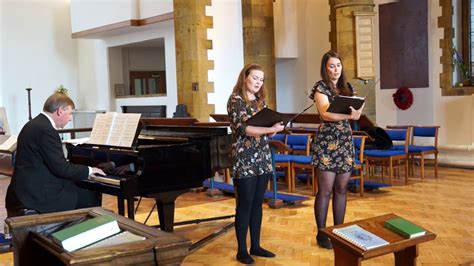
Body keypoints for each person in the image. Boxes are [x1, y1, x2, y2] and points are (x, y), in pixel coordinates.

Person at [5, 92, 106, 217]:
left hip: (23, 190)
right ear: (60, 111)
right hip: (36, 194)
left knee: (75, 187)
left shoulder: (33, 124)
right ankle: (76, 233)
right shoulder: (46, 130)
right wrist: (90, 170)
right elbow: (61, 168)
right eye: (70, 114)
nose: (70, 118)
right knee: (89, 194)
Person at [227, 64, 284, 264]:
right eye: (255, 78)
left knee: (258, 203)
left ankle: (256, 246)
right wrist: (269, 130)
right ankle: (242, 250)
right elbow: (245, 129)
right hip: (244, 158)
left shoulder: (261, 101)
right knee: (245, 204)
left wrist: (275, 128)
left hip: (262, 156)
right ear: (245, 78)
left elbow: (266, 129)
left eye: (262, 79)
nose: (259, 82)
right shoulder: (236, 100)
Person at [309, 51, 364, 249]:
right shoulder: (320, 87)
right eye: (332, 66)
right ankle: (322, 234)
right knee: (325, 190)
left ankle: (339, 231)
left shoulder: (348, 87)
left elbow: (356, 110)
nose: (336, 69)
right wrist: (350, 117)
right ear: (325, 68)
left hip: (345, 142)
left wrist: (357, 113)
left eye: (338, 65)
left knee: (341, 189)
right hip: (326, 143)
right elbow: (326, 114)